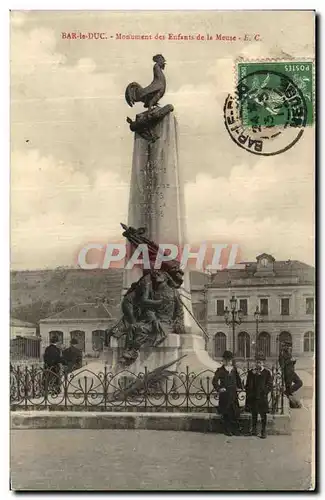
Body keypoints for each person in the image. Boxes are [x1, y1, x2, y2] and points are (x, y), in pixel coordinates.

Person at [212, 350, 242, 436]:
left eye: (230, 360)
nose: (228, 362)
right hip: (225, 394)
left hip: (233, 393)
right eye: (227, 360)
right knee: (226, 412)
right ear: (224, 360)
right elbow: (214, 381)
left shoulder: (234, 369)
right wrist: (219, 388)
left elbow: (238, 379)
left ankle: (235, 429)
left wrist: (240, 387)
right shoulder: (220, 370)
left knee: (234, 412)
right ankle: (227, 429)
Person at [245, 353, 273, 439]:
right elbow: (247, 385)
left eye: (260, 362)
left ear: (263, 363)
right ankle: (254, 429)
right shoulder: (251, 372)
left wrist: (264, 392)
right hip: (253, 397)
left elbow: (270, 385)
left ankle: (263, 431)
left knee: (263, 414)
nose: (258, 364)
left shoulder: (267, 372)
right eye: (257, 362)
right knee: (254, 414)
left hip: (262, 397)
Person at [279, 342, 303, 408]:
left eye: (289, 346)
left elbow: (290, 363)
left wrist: (294, 361)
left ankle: (286, 392)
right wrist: (290, 360)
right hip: (287, 373)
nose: (289, 348)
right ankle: (292, 404)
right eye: (288, 346)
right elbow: (282, 365)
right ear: (285, 347)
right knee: (292, 386)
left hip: (292, 372)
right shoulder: (282, 354)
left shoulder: (288, 353)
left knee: (299, 383)